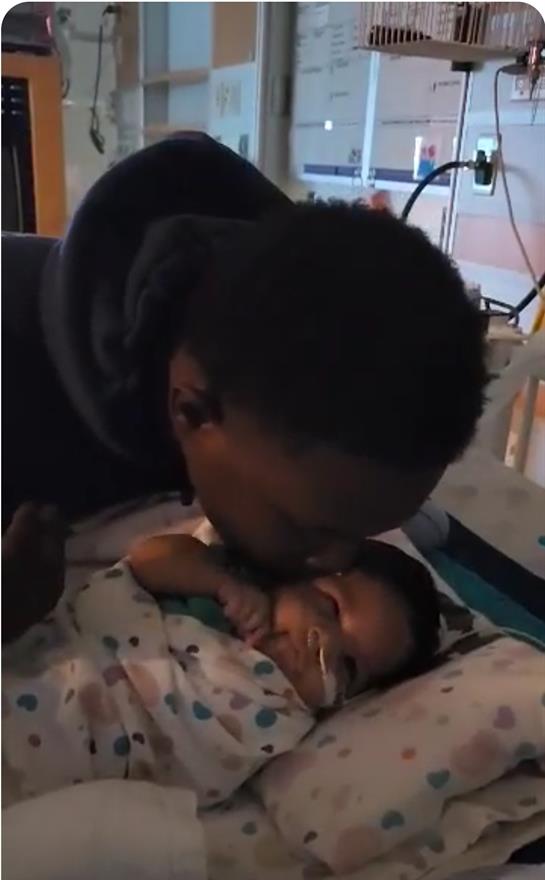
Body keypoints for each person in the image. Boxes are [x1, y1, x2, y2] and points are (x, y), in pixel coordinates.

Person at [1, 133, 487, 639]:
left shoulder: (258, 385)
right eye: (313, 531)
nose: (335, 563)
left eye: (362, 534)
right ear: (190, 412)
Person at [3, 522, 440, 807]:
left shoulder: (277, 714)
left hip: (82, 752)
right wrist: (219, 582)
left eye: (346, 666)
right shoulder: (224, 583)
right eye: (329, 608)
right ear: (298, 576)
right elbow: (149, 558)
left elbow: (198, 767)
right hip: (66, 653)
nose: (320, 643)